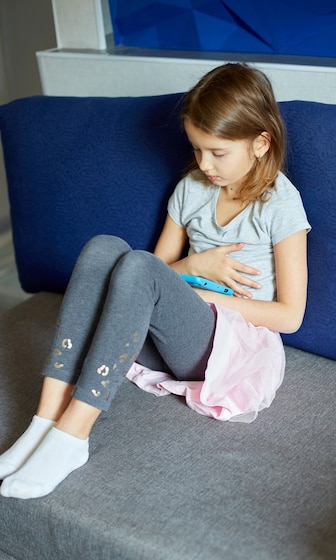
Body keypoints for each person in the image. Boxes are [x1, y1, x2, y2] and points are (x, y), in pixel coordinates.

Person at [0, 63, 310, 499]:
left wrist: (198, 293)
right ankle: (45, 420)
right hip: (169, 331)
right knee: (104, 247)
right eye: (197, 149)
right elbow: (155, 266)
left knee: (138, 266)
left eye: (218, 152)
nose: (205, 164)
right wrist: (198, 267)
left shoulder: (280, 204)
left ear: (261, 143)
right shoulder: (191, 189)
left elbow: (290, 316)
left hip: (226, 346)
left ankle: (72, 436)